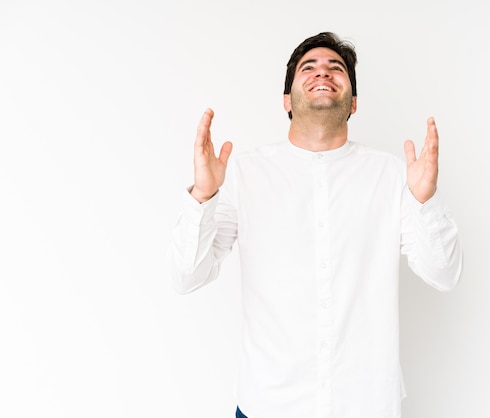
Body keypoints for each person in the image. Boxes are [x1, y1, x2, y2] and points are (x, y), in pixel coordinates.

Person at [168, 31, 463, 418]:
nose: (322, 72)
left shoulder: (393, 175)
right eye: (308, 67)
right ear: (287, 100)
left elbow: (444, 274)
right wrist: (204, 196)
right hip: (267, 406)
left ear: (353, 102)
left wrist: (424, 200)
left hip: (365, 406)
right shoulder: (242, 174)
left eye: (335, 68)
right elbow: (187, 276)